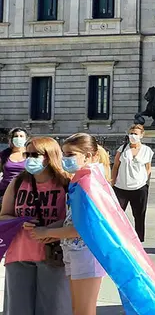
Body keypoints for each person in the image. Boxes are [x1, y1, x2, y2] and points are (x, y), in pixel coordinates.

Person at [30, 133, 112, 315]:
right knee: (77, 309)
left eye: (71, 155)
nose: (65, 159)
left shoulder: (89, 183)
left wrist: (46, 232)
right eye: (64, 154)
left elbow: (84, 229)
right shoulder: (81, 180)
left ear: (89, 156)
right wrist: (52, 229)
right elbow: (72, 218)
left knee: (84, 310)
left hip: (86, 254)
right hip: (75, 252)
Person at [0, 136, 72, 315]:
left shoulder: (65, 183)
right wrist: (19, 222)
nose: (30, 158)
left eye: (35, 154)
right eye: (27, 154)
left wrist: (52, 230)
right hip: (19, 253)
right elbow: (3, 215)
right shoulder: (18, 182)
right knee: (18, 309)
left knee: (53, 308)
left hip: (53, 254)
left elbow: (74, 219)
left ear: (49, 156)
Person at [111, 124, 154, 242]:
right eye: (131, 133)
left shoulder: (147, 150)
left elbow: (148, 168)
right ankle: (116, 237)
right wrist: (112, 182)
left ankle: (139, 240)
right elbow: (115, 166)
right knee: (117, 214)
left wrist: (146, 183)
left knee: (139, 215)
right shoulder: (123, 148)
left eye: (135, 134)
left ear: (141, 135)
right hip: (121, 187)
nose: (133, 136)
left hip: (139, 187)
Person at [0, 128, 30, 204]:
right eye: (16, 136)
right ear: (12, 138)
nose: (18, 138)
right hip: (4, 191)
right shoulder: (4, 154)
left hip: (24, 191)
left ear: (26, 139)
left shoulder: (30, 154)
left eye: (21, 136)